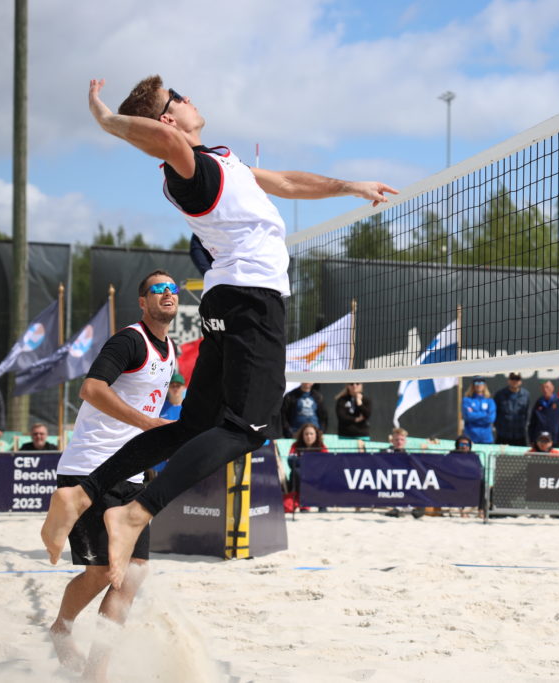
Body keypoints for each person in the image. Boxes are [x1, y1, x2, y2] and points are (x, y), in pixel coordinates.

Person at [41, 76, 397, 589]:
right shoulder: (189, 167)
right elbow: (163, 142)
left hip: (228, 297)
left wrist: (348, 186)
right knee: (248, 429)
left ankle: (84, 492)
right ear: (167, 119)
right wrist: (104, 118)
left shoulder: (220, 159)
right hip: (251, 299)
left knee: (192, 426)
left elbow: (288, 182)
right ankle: (136, 512)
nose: (189, 99)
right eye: (178, 98)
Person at [48, 270, 178, 678]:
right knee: (103, 571)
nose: (167, 293)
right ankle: (61, 628)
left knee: (133, 574)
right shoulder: (130, 339)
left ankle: (96, 669)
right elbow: (90, 389)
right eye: (158, 289)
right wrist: (145, 425)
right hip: (90, 469)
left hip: (132, 472)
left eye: (173, 288)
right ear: (142, 302)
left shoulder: (170, 348)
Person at [286, 422, 328, 513]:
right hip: (301, 475)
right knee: (295, 472)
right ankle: (304, 504)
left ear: (316, 435)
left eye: (311, 434)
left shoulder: (321, 446)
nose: (309, 436)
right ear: (302, 435)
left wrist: (303, 461)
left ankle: (322, 504)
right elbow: (291, 461)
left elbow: (326, 463)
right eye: (306, 434)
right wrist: (312, 462)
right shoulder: (295, 446)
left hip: (317, 475)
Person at [494, 372, 530, 446]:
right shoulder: (500, 394)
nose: (515, 381)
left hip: (519, 435)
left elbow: (526, 413)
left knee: (519, 457)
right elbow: (495, 413)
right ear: (508, 380)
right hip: (503, 435)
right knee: (500, 457)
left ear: (520, 381)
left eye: (517, 379)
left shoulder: (526, 395)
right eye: (512, 378)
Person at [528, 381, 559, 447]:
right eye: (543, 388)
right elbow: (532, 423)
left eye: (547, 387)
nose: (545, 390)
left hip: (554, 441)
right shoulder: (538, 403)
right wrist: (532, 439)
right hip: (539, 441)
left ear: (552, 388)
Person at [462, 377, 496, 444]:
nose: (479, 385)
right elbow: (468, 416)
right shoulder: (467, 400)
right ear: (473, 385)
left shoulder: (490, 401)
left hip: (486, 438)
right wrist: (485, 414)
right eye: (476, 383)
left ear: (484, 385)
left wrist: (474, 414)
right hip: (471, 437)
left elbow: (491, 418)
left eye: (481, 383)